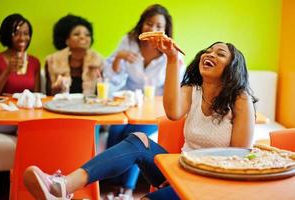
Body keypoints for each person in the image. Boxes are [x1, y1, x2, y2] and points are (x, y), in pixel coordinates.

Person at [23, 39, 257, 199]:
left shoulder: (240, 99)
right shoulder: (193, 90)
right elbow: (173, 112)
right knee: (138, 139)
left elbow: (239, 157)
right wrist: (172, 58)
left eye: (220, 53)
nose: (210, 54)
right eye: (209, 50)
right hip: (181, 168)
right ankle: (62, 186)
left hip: (212, 182)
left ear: (232, 67)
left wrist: (190, 175)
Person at [103, 4, 185, 196]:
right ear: (141, 24)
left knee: (137, 134)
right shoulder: (128, 42)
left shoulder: (169, 51)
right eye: (149, 23)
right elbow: (113, 79)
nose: (153, 29)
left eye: (158, 26)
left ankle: (127, 189)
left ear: (165, 30)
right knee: (115, 132)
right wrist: (118, 58)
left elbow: (175, 89)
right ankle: (112, 184)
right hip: (127, 104)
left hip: (154, 108)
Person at [0, 13, 40, 134]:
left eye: (26, 33)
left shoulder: (35, 62)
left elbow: (37, 95)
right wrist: (7, 71)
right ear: (6, 34)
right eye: (16, 33)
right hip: (3, 116)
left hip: (26, 116)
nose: (22, 38)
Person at [45, 14, 104, 96]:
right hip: (61, 107)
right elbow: (49, 94)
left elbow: (101, 94)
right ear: (67, 40)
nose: (83, 37)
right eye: (76, 34)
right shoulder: (53, 61)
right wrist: (57, 89)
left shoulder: (97, 61)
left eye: (87, 35)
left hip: (89, 107)